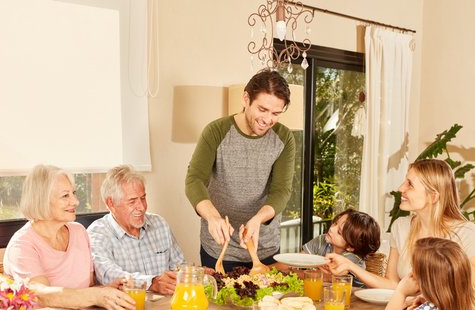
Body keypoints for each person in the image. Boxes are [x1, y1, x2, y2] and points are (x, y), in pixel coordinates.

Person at [328, 159, 475, 302]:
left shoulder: (465, 232)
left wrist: (422, 301)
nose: (400, 188)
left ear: (433, 196)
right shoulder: (401, 226)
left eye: (410, 184)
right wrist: (349, 265)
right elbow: (392, 284)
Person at [185, 69, 295, 272]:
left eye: (276, 113)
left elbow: (281, 190)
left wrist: (257, 220)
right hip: (219, 248)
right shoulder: (216, 131)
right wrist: (212, 217)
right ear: (246, 98)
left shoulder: (284, 138)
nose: (268, 119)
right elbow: (194, 180)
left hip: (264, 248)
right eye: (262, 109)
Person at [4, 165, 135, 310]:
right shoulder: (22, 245)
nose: (75, 201)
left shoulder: (79, 232)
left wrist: (109, 290)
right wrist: (97, 295)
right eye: (65, 196)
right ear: (42, 200)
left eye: (73, 193)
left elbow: (88, 287)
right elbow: (41, 294)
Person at [87, 165, 185, 295]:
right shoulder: (98, 233)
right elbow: (108, 275)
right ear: (111, 203)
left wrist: (195, 273)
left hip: (167, 307)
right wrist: (152, 283)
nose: (142, 207)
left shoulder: (159, 224)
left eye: (143, 198)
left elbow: (179, 266)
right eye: (132, 201)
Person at [276, 209, 381, 286]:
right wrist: (266, 268)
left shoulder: (352, 259)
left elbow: (325, 277)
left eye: (339, 232)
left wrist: (287, 272)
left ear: (350, 247)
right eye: (335, 223)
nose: (331, 228)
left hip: (350, 302)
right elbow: (294, 260)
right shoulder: (322, 240)